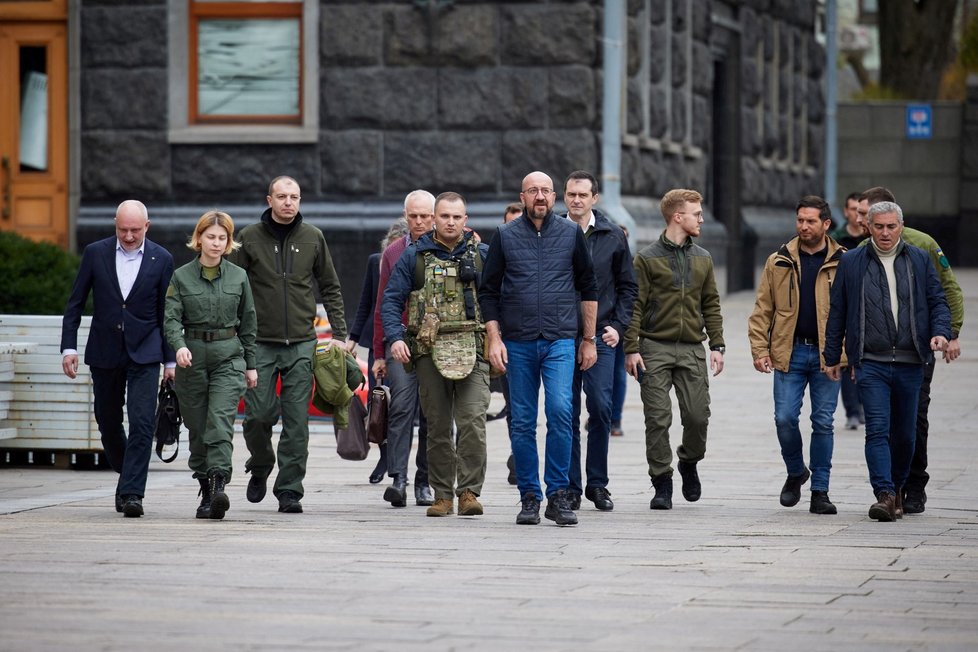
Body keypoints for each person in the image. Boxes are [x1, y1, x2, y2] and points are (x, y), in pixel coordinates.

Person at [481, 170, 598, 527]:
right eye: (533, 191)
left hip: (561, 339)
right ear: (523, 195)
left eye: (546, 190)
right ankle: (529, 495)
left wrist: (589, 339)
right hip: (517, 341)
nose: (540, 197)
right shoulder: (504, 235)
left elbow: (588, 285)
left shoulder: (570, 234)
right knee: (523, 420)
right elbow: (488, 290)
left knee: (563, 411)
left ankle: (558, 494)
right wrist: (494, 337)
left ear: (554, 196)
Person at [824, 201, 952, 522]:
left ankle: (896, 488)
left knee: (906, 434)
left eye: (891, 226)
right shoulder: (851, 261)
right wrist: (831, 357)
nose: (884, 232)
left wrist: (940, 333)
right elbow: (837, 311)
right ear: (867, 227)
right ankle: (884, 493)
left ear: (900, 226)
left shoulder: (919, 260)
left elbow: (938, 301)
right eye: (878, 226)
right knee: (877, 430)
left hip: (911, 360)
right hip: (871, 361)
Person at [230, 176, 347, 514]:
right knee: (257, 416)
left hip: (300, 343)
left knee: (297, 421)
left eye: (294, 197)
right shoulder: (249, 238)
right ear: (269, 199)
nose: (288, 203)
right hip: (259, 343)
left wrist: (339, 333)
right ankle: (261, 464)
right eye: (281, 196)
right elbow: (234, 286)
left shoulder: (313, 237)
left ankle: (290, 490)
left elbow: (330, 285)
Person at [60, 200, 175, 518]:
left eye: (135, 230)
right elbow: (75, 303)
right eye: (122, 229)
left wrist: (170, 362)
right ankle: (128, 477)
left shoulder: (162, 258)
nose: (128, 236)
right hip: (105, 350)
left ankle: (132, 494)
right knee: (107, 422)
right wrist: (68, 347)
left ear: (147, 227)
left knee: (141, 423)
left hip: (145, 351)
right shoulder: (96, 253)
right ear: (115, 224)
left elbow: (167, 314)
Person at [381, 192, 491, 517]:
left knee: (472, 420)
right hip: (428, 349)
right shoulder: (413, 257)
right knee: (438, 424)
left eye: (457, 217)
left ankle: (469, 492)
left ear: (465, 220)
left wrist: (499, 339)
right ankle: (442, 494)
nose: (450, 222)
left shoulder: (483, 255)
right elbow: (390, 300)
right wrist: (396, 338)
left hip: (473, 346)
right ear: (434, 218)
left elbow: (500, 299)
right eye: (444, 216)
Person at [859, 187, 964, 514]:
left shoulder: (924, 245)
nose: (870, 224)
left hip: (918, 347)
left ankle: (914, 484)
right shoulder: (862, 251)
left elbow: (947, 291)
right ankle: (888, 490)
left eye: (871, 216)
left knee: (913, 417)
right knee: (880, 422)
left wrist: (950, 332)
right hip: (876, 353)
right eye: (870, 220)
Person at [624, 188, 725, 511]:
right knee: (657, 418)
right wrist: (631, 348)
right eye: (697, 214)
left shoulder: (703, 258)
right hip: (654, 347)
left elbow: (711, 302)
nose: (702, 219)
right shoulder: (647, 258)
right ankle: (662, 482)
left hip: (693, 348)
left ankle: (689, 461)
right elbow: (635, 306)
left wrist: (717, 344)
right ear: (677, 217)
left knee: (697, 416)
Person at [748, 196, 844, 515]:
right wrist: (760, 349)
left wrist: (844, 356)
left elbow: (852, 314)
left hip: (826, 357)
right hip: (788, 353)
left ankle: (820, 491)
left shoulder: (844, 261)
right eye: (800, 220)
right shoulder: (779, 260)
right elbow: (763, 308)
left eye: (810, 221)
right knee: (785, 419)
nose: (803, 226)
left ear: (826, 224)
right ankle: (795, 471)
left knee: (823, 423)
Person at [164, 211, 258, 520]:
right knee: (197, 426)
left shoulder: (238, 277)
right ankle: (205, 491)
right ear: (199, 238)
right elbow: (171, 319)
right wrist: (178, 348)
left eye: (222, 238)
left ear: (229, 242)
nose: (216, 243)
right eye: (211, 237)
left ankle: (219, 485)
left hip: (228, 356)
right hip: (192, 357)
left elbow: (249, 323)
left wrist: (250, 365)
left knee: (220, 420)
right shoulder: (181, 277)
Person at [563, 171, 637, 512]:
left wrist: (619, 327)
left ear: (594, 199)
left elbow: (628, 287)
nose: (576, 200)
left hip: (603, 335)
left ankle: (598, 484)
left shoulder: (612, 235)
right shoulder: (552, 232)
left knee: (601, 407)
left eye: (582, 194)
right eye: (571, 194)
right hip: (561, 335)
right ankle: (572, 486)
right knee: (566, 411)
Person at [372, 190, 435, 508]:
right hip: (401, 341)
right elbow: (384, 304)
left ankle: (425, 481)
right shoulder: (394, 252)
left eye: (425, 216)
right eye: (414, 216)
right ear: (405, 216)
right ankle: (399, 478)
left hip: (438, 343)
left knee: (431, 413)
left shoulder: (445, 250)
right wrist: (380, 353)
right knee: (401, 409)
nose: (420, 221)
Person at [345, 218, 408, 484]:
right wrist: (353, 336)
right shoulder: (377, 262)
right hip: (378, 342)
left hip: (405, 339)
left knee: (404, 406)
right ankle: (384, 456)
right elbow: (368, 302)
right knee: (379, 400)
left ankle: (397, 463)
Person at [830, 192, 867, 430]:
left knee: (864, 360)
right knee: (845, 360)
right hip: (844, 302)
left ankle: (864, 406)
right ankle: (852, 411)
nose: (857, 215)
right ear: (845, 211)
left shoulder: (872, 237)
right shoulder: (835, 239)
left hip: (869, 304)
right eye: (853, 209)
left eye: (861, 210)